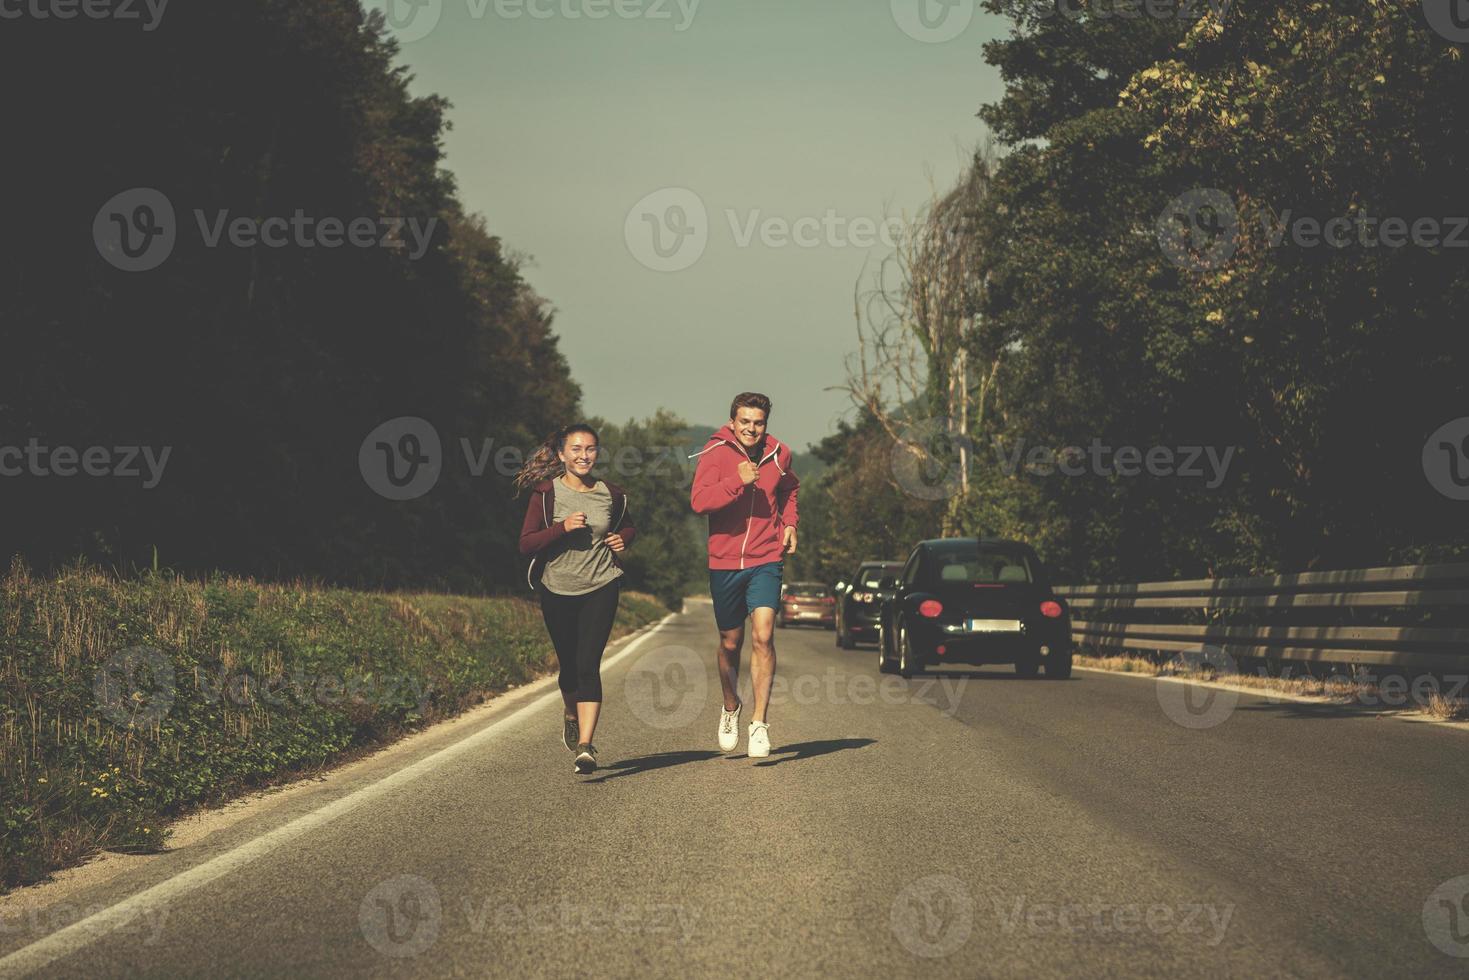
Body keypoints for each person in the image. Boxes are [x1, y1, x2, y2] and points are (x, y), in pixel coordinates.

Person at [517, 424, 636, 774]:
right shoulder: (544, 494)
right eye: (576, 449)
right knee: (568, 668)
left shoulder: (611, 494)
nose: (584, 456)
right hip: (556, 589)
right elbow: (526, 543)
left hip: (602, 585)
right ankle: (571, 712)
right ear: (561, 454)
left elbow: (627, 525)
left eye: (591, 449)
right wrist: (561, 528)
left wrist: (623, 539)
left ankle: (586, 746)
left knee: (588, 664)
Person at [689, 392, 798, 758]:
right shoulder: (714, 452)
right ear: (733, 422)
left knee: (764, 636)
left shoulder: (780, 454)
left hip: (766, 558)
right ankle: (730, 706)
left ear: (766, 424)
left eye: (759, 422)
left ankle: (760, 724)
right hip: (724, 562)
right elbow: (699, 502)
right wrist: (737, 482)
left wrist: (790, 524)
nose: (752, 429)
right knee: (730, 644)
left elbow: (790, 489)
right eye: (745, 422)